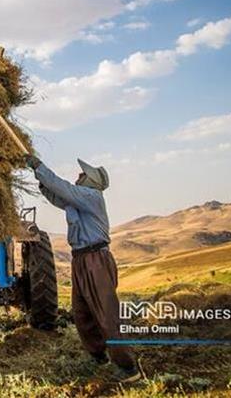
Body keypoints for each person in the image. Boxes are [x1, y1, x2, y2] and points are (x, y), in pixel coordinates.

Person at [25, 154, 141, 384]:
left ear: (91, 181)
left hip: (96, 259)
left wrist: (40, 167)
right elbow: (57, 196)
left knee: (106, 312)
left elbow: (62, 187)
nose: (78, 176)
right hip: (80, 259)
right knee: (82, 312)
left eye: (82, 174)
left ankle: (128, 368)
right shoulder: (78, 201)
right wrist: (41, 181)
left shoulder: (92, 196)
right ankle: (98, 356)